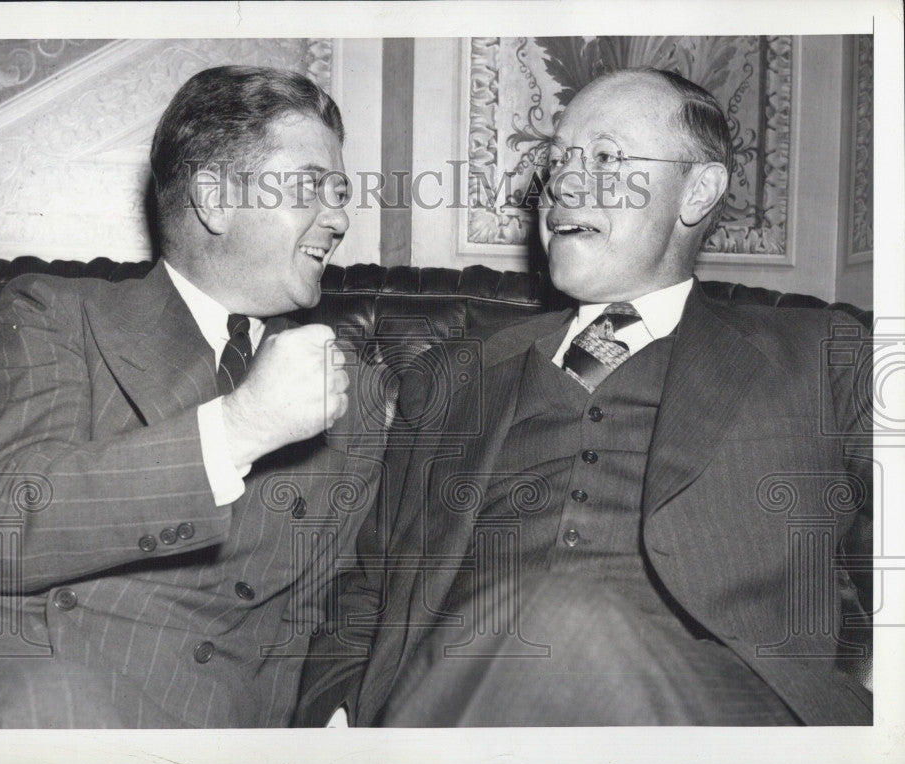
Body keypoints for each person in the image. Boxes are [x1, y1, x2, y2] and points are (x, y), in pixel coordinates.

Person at [296, 67, 873, 726]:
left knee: (558, 621)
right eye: (558, 161)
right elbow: (370, 584)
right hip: (455, 707)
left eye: (604, 158)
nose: (564, 184)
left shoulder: (821, 355)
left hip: (716, 714)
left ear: (698, 189)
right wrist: (335, 711)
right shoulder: (449, 376)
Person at [0, 65, 385, 728]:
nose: (340, 217)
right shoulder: (55, 314)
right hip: (42, 691)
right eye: (311, 187)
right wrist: (239, 426)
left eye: (342, 191)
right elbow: (6, 526)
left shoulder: (348, 386)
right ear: (213, 199)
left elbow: (309, 618)